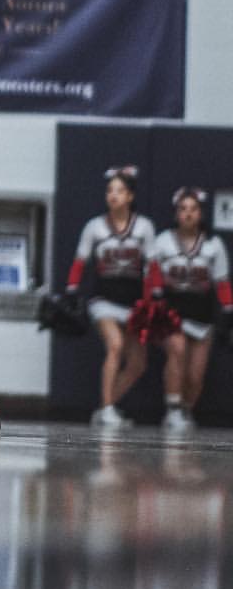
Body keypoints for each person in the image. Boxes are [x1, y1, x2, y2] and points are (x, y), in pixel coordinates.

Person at [65, 165, 157, 429]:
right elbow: (79, 262)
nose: (113, 195)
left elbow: (152, 267)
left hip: (134, 302)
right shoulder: (94, 226)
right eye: (109, 190)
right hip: (103, 300)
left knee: (139, 362)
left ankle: (106, 407)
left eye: (119, 190)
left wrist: (152, 300)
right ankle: (107, 410)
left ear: (130, 196)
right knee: (115, 346)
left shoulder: (144, 227)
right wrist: (72, 291)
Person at [145, 186, 230, 433]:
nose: (188, 214)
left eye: (193, 209)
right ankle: (172, 410)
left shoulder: (213, 245)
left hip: (202, 313)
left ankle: (185, 410)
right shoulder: (162, 242)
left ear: (201, 213)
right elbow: (150, 274)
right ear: (176, 214)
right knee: (177, 351)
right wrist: (154, 299)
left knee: (195, 376)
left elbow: (222, 282)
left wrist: (229, 310)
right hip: (171, 310)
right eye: (183, 209)